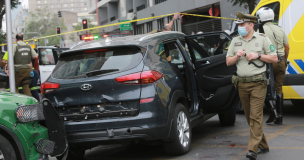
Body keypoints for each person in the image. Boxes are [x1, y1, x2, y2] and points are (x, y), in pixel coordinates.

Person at [226, 12, 278, 160]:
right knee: (250, 118)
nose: (240, 27)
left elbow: (274, 58)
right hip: (242, 84)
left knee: (255, 116)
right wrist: (237, 56)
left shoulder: (262, 39)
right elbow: (228, 62)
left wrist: (258, 56)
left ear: (251, 25)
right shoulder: (235, 40)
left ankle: (252, 150)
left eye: (242, 25)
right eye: (239, 25)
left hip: (258, 83)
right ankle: (263, 145)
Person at [256, 7, 290, 125]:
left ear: (261, 17)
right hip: (281, 62)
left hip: (269, 63)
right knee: (279, 89)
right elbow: (287, 47)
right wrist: (284, 60)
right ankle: (279, 118)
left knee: (264, 87)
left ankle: (273, 112)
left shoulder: (260, 29)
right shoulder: (280, 29)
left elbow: (257, 47)